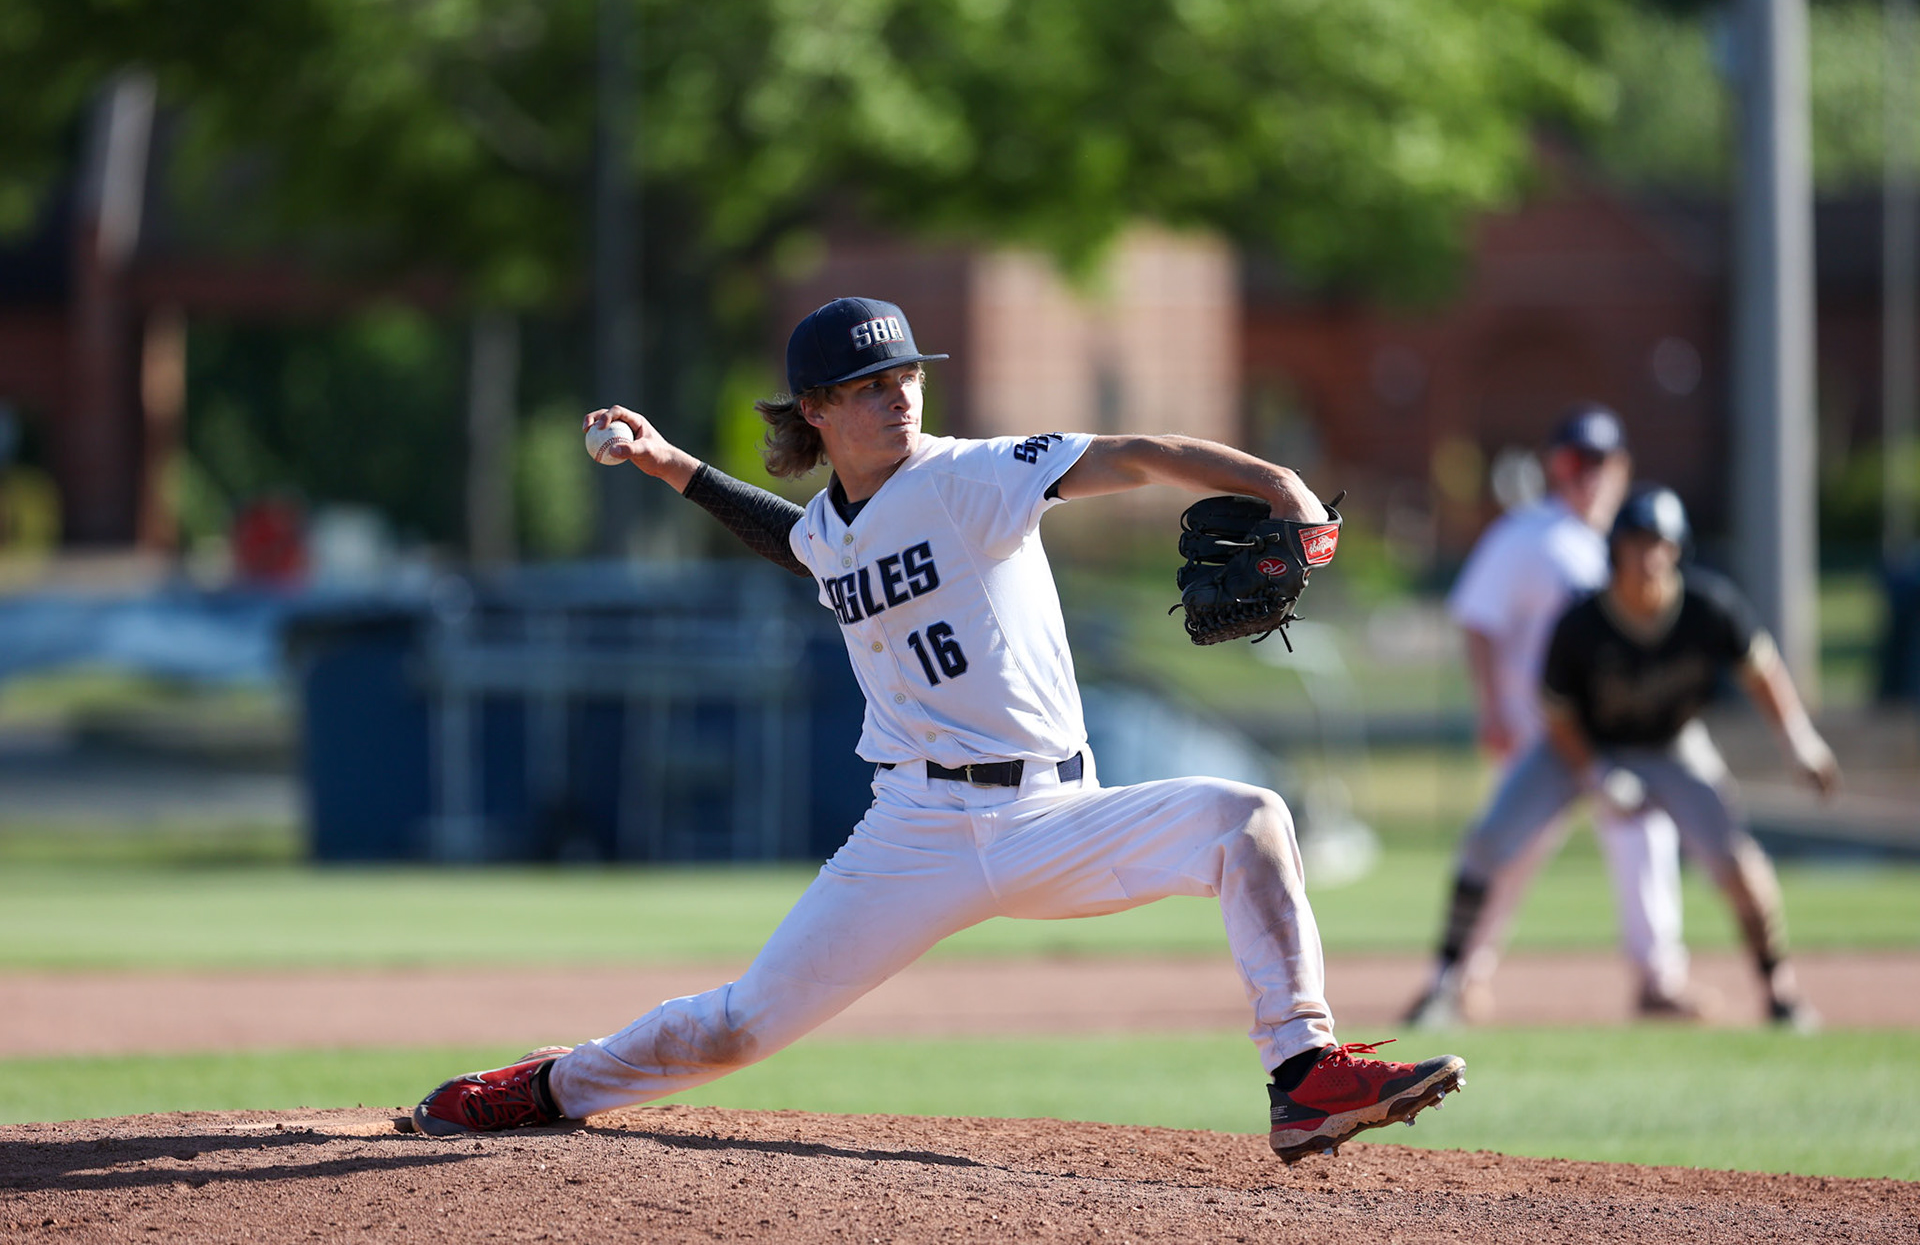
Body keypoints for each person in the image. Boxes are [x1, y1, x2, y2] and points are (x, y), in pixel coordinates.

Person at [411, 296, 1465, 1161]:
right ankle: (546, 1083)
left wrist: (1274, 481)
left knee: (1251, 820)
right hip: (914, 826)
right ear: (817, 408)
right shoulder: (834, 526)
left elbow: (1133, 453)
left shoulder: (969, 476)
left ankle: (1304, 1075)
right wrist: (675, 466)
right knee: (738, 1025)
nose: (898, 394)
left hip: (1056, 811)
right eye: (869, 384)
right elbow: (806, 543)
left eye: (907, 373)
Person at [1415, 485, 1835, 1029]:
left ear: (1678, 549)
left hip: (1673, 745)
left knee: (1737, 861)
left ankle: (1780, 993)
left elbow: (1762, 671)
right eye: (1636, 544)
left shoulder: (1708, 607)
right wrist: (1595, 773)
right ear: (1614, 551)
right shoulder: (1583, 621)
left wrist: (1799, 739)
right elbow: (1558, 716)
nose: (1648, 557)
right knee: (1488, 841)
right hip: (1579, 748)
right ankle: (1443, 985)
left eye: (1660, 544)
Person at [1407, 407, 1693, 1025]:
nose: (1586, 476)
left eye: (1599, 463)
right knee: (1506, 853)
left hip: (1614, 734)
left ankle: (1659, 980)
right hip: (1536, 732)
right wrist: (1491, 709)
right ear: (1553, 467)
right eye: (1573, 462)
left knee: (1644, 834)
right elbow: (1479, 623)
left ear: (1621, 470)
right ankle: (1455, 979)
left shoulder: (1624, 540)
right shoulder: (1526, 536)